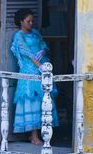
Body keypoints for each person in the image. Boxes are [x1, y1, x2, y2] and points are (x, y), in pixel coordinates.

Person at [11, 8, 59, 145]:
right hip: (30, 71)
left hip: (41, 67)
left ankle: (41, 133)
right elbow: (26, 52)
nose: (31, 23)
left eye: (32, 21)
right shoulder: (19, 36)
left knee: (43, 100)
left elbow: (43, 44)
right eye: (28, 21)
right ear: (21, 22)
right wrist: (40, 66)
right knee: (32, 101)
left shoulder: (35, 33)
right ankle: (33, 135)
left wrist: (43, 51)